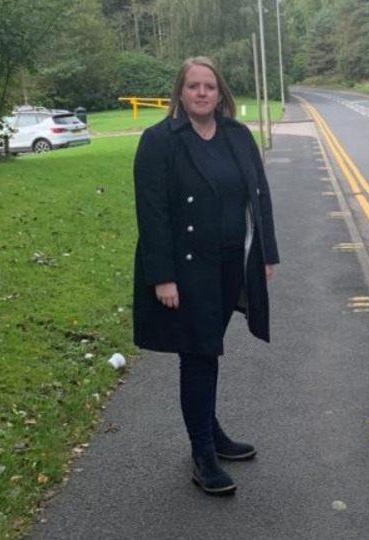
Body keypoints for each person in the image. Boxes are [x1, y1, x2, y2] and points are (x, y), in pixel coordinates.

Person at [132, 56, 279, 496]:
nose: (201, 93)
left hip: (233, 262)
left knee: (208, 351)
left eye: (209, 87)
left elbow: (259, 194)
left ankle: (210, 432)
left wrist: (266, 254)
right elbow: (152, 214)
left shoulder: (237, 135)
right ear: (180, 92)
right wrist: (163, 277)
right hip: (187, 268)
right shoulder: (160, 141)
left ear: (220, 94)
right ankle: (202, 454)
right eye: (193, 86)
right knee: (197, 355)